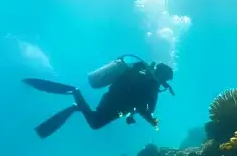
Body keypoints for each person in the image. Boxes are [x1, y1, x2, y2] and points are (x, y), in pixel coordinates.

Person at [23, 58, 174, 139]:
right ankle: (74, 93)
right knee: (94, 123)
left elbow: (137, 100)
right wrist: (152, 120)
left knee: (95, 121)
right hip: (116, 106)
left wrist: (136, 115)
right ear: (163, 77)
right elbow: (144, 107)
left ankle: (76, 102)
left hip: (111, 99)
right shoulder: (152, 85)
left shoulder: (141, 72)